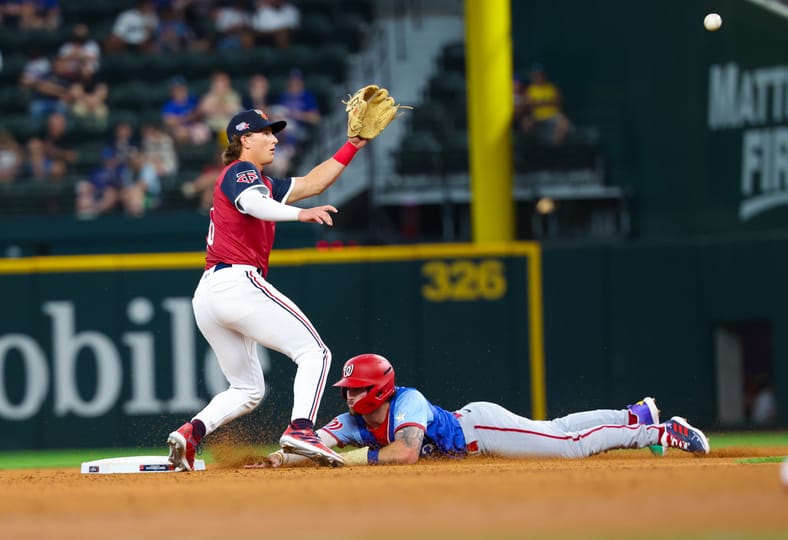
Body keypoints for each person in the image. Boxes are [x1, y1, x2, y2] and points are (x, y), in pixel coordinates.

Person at [166, 108, 370, 471]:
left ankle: (190, 433)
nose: (275, 139)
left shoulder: (263, 182)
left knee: (247, 389)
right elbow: (254, 205)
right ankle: (301, 429)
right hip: (237, 282)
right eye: (266, 133)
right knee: (315, 353)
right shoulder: (240, 172)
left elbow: (312, 183)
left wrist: (352, 145)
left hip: (210, 293)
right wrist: (300, 214)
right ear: (245, 140)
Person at [248, 353, 711, 468]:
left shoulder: (405, 401)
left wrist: (345, 459)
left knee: (566, 446)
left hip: (480, 431)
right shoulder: (351, 420)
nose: (349, 397)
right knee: (557, 429)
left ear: (380, 389)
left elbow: (407, 454)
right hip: (472, 431)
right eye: (347, 389)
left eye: (357, 389)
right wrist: (274, 459)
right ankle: (636, 415)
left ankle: (659, 431)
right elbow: (313, 445)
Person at [518, 63, 571, 145]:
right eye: (536, 75)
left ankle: (557, 147)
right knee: (525, 123)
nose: (539, 78)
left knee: (564, 124)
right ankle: (529, 146)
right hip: (536, 116)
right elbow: (527, 104)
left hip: (552, 115)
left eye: (540, 75)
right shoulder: (530, 89)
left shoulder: (552, 88)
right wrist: (547, 102)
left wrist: (538, 102)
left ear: (544, 76)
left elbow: (557, 101)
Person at [197, 70, 242, 145]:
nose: (219, 84)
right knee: (198, 131)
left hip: (227, 127)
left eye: (222, 81)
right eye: (217, 81)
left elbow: (229, 110)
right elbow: (203, 110)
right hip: (211, 127)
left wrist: (219, 98)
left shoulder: (233, 95)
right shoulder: (209, 96)